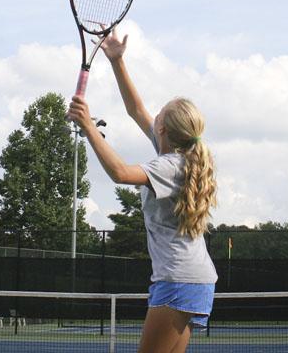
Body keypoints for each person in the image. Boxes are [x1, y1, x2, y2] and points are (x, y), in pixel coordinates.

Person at [67, 28, 218, 353]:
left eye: (159, 112)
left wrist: (89, 127)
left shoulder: (168, 167)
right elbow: (135, 109)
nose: (154, 114)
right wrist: (117, 60)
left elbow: (120, 173)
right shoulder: (177, 156)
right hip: (195, 280)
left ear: (163, 128)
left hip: (178, 280)